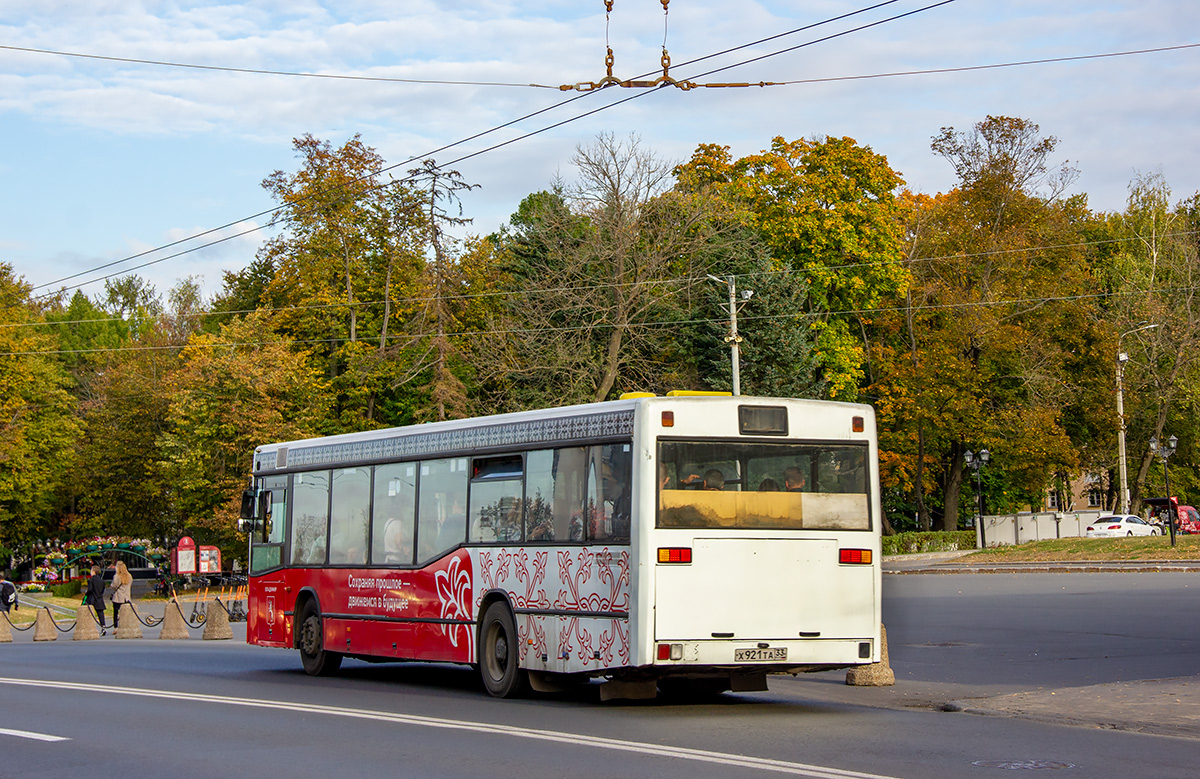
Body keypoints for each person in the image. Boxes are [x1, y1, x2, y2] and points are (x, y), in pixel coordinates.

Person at [83, 565, 107, 635]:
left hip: (92, 599)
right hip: (99, 598)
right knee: (100, 614)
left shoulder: (91, 580)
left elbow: (90, 590)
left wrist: (86, 593)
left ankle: (88, 627)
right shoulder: (101, 581)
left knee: (88, 613)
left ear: (93, 572)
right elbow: (102, 590)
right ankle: (103, 627)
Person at [109, 560, 133, 629]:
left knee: (116, 612)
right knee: (126, 613)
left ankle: (116, 627)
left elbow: (113, 585)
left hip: (118, 597)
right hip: (127, 597)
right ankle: (126, 625)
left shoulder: (117, 576)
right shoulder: (129, 576)